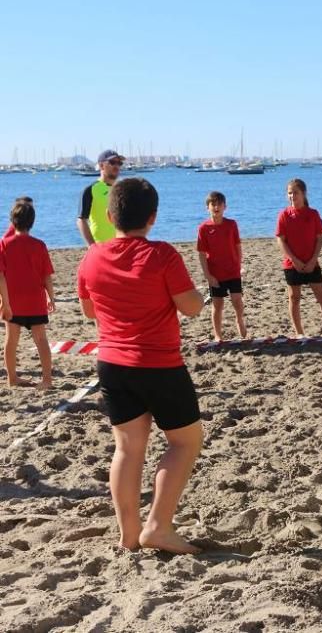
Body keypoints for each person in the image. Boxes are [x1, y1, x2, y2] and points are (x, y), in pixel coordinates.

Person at [77, 177, 205, 554]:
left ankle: (128, 535)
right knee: (185, 441)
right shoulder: (161, 255)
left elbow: (89, 311)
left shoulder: (92, 256)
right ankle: (158, 527)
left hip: (113, 363)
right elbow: (192, 307)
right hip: (158, 363)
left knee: (128, 449)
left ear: (110, 214)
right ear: (152, 217)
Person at [275, 179, 322, 338]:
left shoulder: (313, 214)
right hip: (292, 264)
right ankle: (299, 332)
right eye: (290, 193)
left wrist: (313, 260)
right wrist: (294, 260)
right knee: (294, 297)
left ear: (303, 194)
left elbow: (319, 239)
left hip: (312, 263)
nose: (292, 196)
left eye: (295, 192)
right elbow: (281, 240)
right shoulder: (284, 215)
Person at [0, 201, 55, 389]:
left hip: (13, 301)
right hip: (35, 300)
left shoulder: (4, 244)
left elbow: (1, 277)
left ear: (12, 221)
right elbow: (46, 275)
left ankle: (12, 378)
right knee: (41, 340)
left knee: (11, 341)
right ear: (32, 221)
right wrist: (51, 297)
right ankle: (47, 380)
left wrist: (4, 303)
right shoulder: (39, 245)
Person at [197, 192, 247, 342]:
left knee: (237, 301)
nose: (216, 207)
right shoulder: (204, 228)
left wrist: (238, 265)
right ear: (208, 207)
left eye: (219, 204)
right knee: (217, 305)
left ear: (225, 206)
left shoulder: (231, 224)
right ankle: (218, 335)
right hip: (215, 274)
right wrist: (208, 275)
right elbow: (201, 254)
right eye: (213, 204)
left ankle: (239, 320)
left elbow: (238, 246)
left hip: (233, 271)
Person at [77, 150, 123, 246]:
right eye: (112, 162)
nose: (117, 166)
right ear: (101, 166)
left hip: (122, 245)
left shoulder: (123, 189)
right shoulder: (90, 190)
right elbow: (81, 220)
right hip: (101, 245)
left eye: (119, 163)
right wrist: (92, 246)